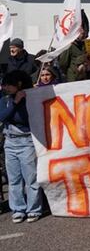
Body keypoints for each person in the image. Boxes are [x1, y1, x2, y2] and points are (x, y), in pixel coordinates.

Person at [1, 70, 43, 223]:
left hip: (27, 141)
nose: (4, 87)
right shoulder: (5, 99)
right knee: (14, 179)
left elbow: (26, 119)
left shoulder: (30, 98)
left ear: (18, 84)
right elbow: (3, 116)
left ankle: (34, 209)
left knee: (30, 177)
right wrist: (14, 102)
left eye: (8, 85)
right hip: (10, 141)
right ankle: (18, 209)